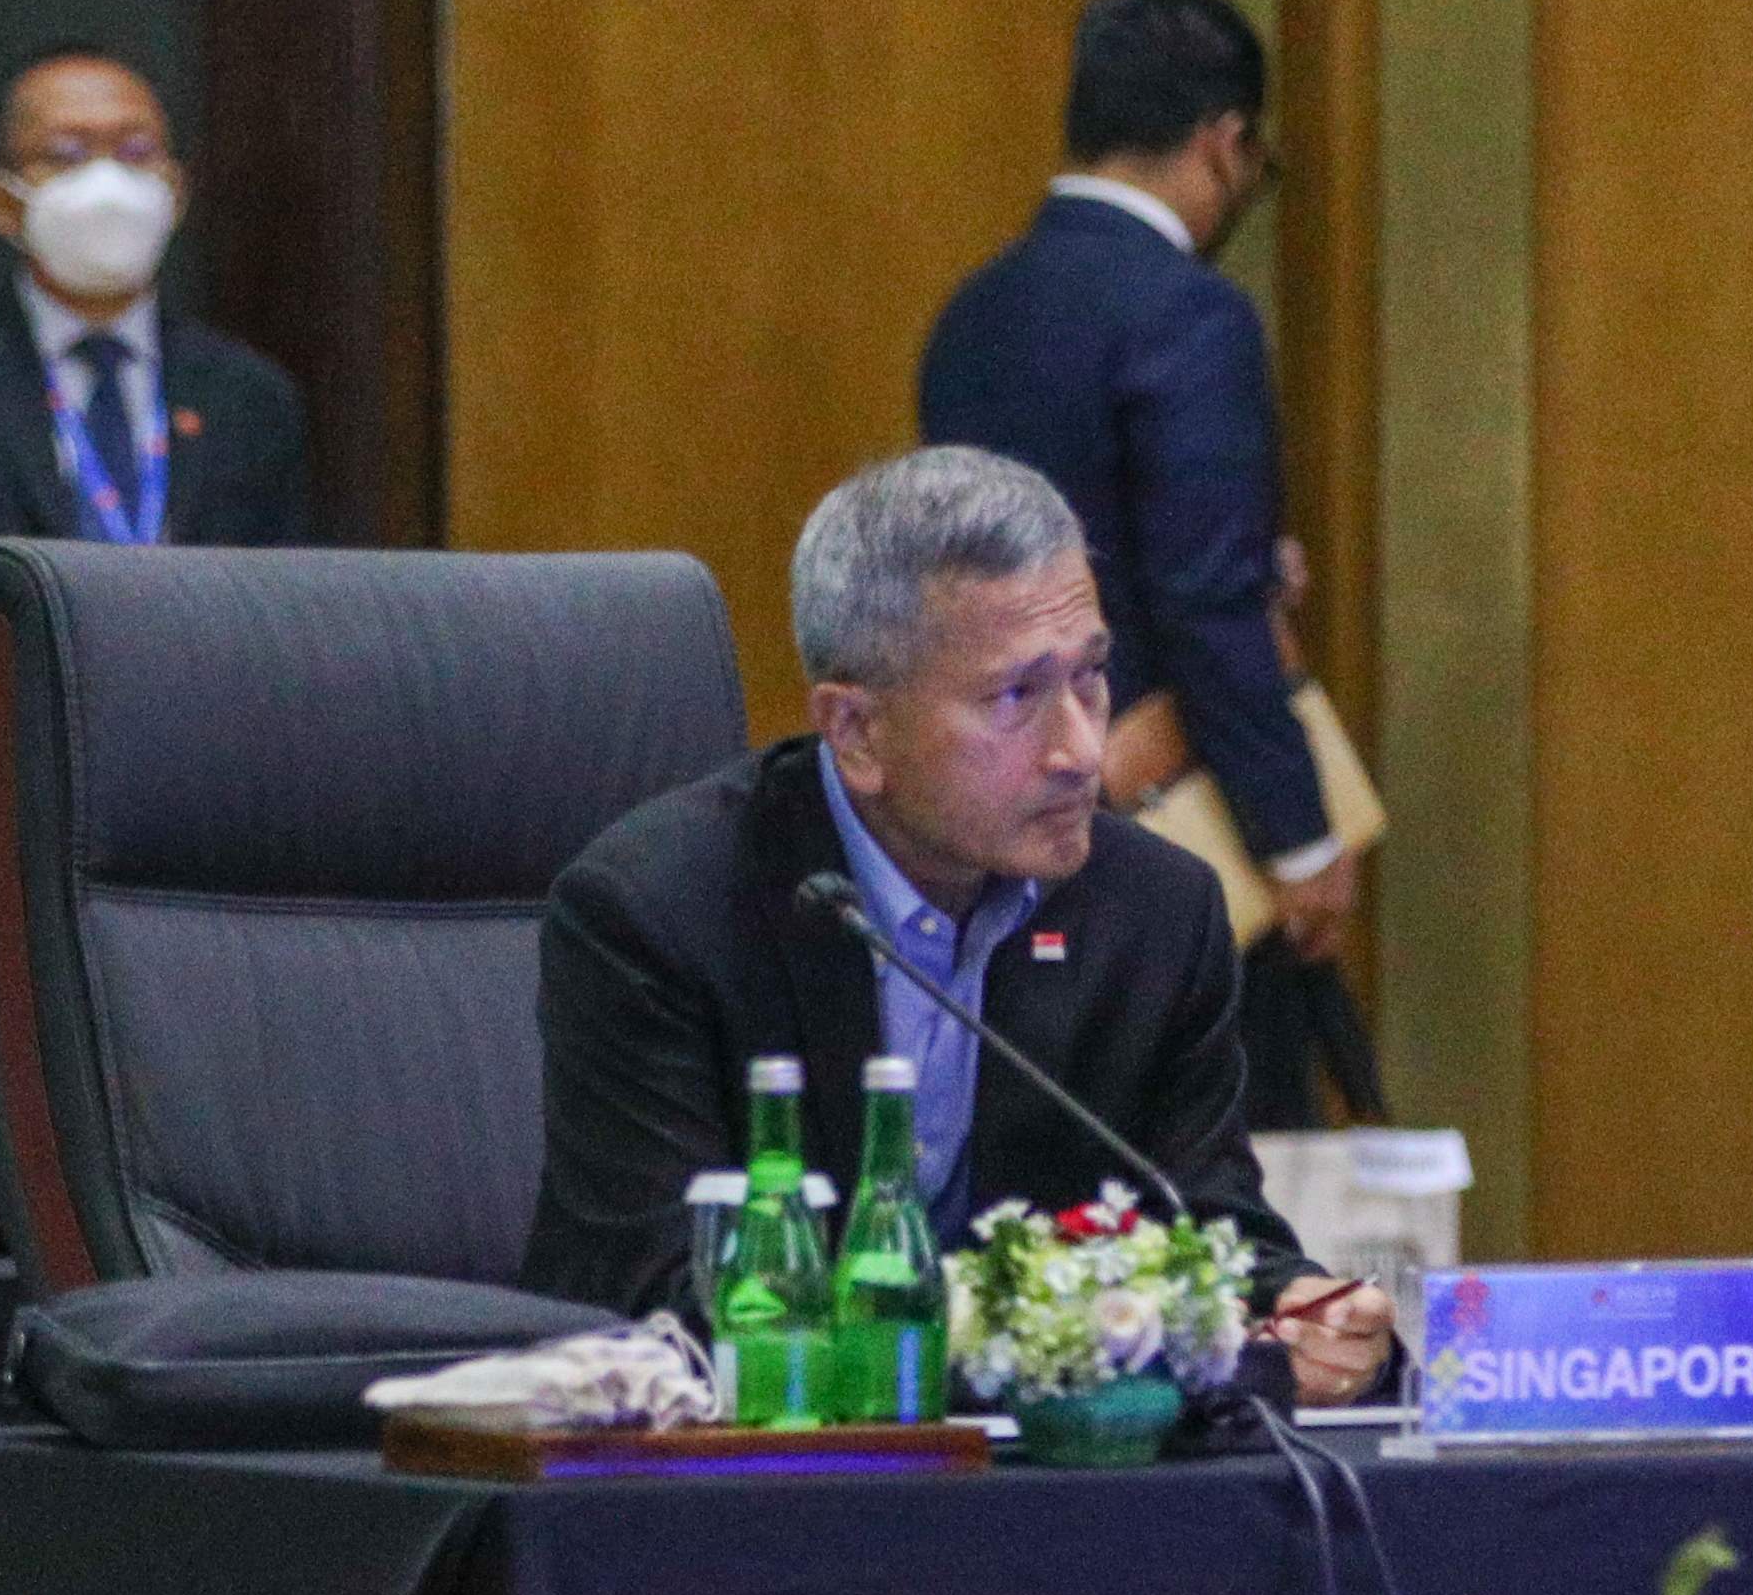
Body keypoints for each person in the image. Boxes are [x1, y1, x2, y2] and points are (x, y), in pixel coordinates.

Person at [517, 446, 1392, 1403]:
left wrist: (1300, 1309)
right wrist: (1011, 1338)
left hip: (1053, 1469)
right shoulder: (659, 916)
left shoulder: (1155, 913)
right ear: (857, 731)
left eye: (1092, 676)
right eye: (1017, 697)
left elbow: (1207, 1227)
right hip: (755, 1470)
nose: (1081, 749)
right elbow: (656, 1302)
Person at [916, 0, 1356, 971]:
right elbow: (1206, 601)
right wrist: (1299, 836)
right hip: (1163, 829)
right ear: (1225, 143)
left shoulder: (971, 316)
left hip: (992, 827)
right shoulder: (1192, 318)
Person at [0, 43, 314, 810]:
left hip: (202, 802)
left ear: (175, 189)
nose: (108, 182)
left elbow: (289, 630)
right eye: (66, 154)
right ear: (2, 202)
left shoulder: (247, 396)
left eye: (136, 151)